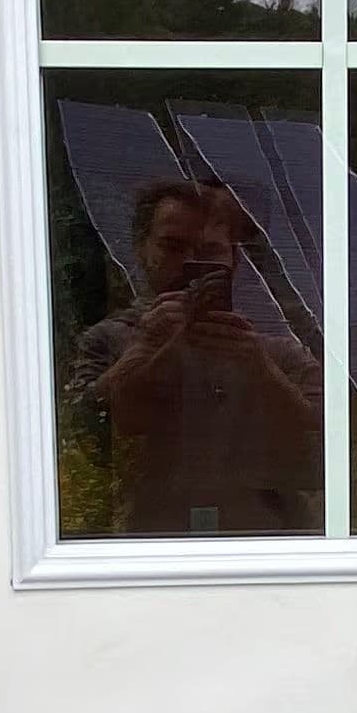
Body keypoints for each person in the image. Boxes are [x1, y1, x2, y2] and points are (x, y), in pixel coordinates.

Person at [68, 176, 321, 535]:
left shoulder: (276, 342)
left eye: (208, 252)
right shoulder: (108, 340)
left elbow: (327, 447)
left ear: (233, 258)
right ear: (142, 249)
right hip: (151, 548)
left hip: (267, 546)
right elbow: (87, 444)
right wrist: (144, 351)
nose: (189, 263)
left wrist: (260, 371)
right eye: (173, 246)